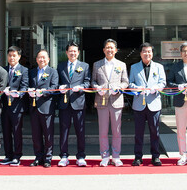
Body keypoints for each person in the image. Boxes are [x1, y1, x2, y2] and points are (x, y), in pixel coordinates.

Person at [91, 39, 129, 167]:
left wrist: (119, 88)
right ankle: (105, 156)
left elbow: (126, 81)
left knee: (116, 131)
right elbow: (93, 81)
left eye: (112, 48)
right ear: (104, 50)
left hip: (116, 100)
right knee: (103, 131)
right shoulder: (97, 64)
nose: (109, 50)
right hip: (101, 100)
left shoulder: (121, 65)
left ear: (116, 50)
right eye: (107, 47)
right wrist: (97, 88)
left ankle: (116, 156)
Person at [129, 42, 166, 166]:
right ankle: (138, 157)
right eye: (144, 51)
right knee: (138, 133)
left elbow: (163, 82)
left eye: (149, 51)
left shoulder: (159, 67)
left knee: (154, 132)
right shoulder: (134, 67)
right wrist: (137, 88)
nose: (147, 53)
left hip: (153, 103)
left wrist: (156, 88)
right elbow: (130, 83)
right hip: (139, 104)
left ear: (152, 53)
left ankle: (155, 156)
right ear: (140, 53)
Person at [57, 42, 91, 167]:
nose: (73, 53)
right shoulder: (60, 66)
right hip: (65, 103)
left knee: (80, 131)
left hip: (78, 103)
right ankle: (64, 156)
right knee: (63, 130)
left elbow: (87, 82)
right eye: (70, 51)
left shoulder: (84, 66)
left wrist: (81, 87)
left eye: (75, 51)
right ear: (66, 52)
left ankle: (81, 156)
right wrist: (60, 87)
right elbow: (57, 82)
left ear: (78, 53)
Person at [29, 49, 58, 168]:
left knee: (48, 134)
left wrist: (44, 92)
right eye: (39, 57)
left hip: (46, 107)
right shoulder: (32, 72)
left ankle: (48, 158)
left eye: (44, 57)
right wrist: (30, 91)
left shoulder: (53, 72)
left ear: (48, 59)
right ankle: (38, 157)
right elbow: (28, 85)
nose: (41, 59)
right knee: (36, 135)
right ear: (36, 59)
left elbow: (54, 87)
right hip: (34, 107)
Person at [0, 46, 29, 166]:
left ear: (19, 57)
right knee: (6, 132)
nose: (12, 58)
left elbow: (24, 86)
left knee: (17, 132)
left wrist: (17, 94)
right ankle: (8, 155)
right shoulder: (3, 69)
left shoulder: (24, 70)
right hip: (5, 106)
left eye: (14, 55)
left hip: (17, 106)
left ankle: (17, 155)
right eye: (10, 55)